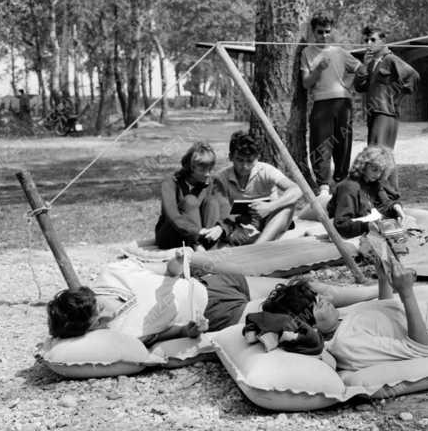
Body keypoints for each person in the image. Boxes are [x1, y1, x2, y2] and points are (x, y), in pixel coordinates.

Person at [46, 254, 252, 348]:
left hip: (209, 282)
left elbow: (169, 271)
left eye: (100, 308)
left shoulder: (114, 272)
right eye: (97, 323)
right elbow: (177, 332)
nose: (107, 317)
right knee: (277, 304)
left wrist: (177, 262)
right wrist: (193, 329)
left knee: (271, 278)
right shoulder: (125, 335)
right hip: (218, 312)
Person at [299, 13, 361, 196]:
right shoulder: (307, 52)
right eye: (320, 32)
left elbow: (359, 69)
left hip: (343, 103)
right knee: (321, 143)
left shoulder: (340, 52)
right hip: (321, 104)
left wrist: (348, 84)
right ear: (313, 31)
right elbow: (305, 84)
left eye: (327, 31)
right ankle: (323, 185)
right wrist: (318, 69)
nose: (324, 36)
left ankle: (341, 180)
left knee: (343, 142)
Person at [213, 131, 303, 245]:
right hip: (240, 223)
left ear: (257, 158)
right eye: (240, 160)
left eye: (249, 161)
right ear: (231, 157)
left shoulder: (266, 170)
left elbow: (297, 190)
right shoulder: (222, 178)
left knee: (288, 206)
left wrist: (270, 207)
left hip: (270, 220)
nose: (244, 166)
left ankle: (259, 246)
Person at [353, 25, 419, 149]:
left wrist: (396, 99)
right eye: (366, 40)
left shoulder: (391, 59)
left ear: (383, 41)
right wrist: (364, 66)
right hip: (372, 114)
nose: (369, 43)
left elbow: (413, 76)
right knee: (373, 154)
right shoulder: (370, 63)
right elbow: (359, 87)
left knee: (380, 154)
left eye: (373, 40)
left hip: (386, 114)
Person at [154, 142, 226, 250]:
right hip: (172, 234)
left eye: (209, 169)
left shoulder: (212, 182)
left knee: (212, 202)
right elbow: (172, 215)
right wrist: (196, 232)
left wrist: (220, 227)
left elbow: (226, 207)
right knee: (190, 200)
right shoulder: (170, 183)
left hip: (202, 234)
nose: (207, 174)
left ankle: (210, 247)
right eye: (202, 170)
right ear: (191, 167)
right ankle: (197, 246)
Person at [326, 145, 405, 239]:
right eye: (374, 169)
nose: (377, 174)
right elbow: (341, 224)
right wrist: (368, 226)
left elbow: (385, 204)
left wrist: (396, 207)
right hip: (353, 228)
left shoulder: (374, 183)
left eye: (381, 171)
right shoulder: (349, 187)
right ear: (364, 165)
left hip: (368, 220)